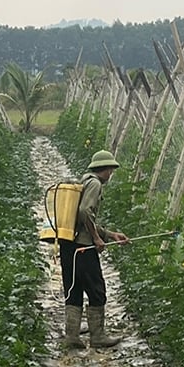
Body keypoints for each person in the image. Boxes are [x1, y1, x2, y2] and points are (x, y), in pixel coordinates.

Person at [60, 150, 129, 349]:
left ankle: (72, 337)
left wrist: (110, 234)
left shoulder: (84, 182)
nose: (111, 174)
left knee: (74, 288)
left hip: (69, 245)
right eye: (111, 170)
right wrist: (97, 238)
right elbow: (84, 212)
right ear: (105, 169)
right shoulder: (96, 184)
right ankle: (97, 337)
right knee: (96, 289)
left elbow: (81, 218)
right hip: (83, 247)